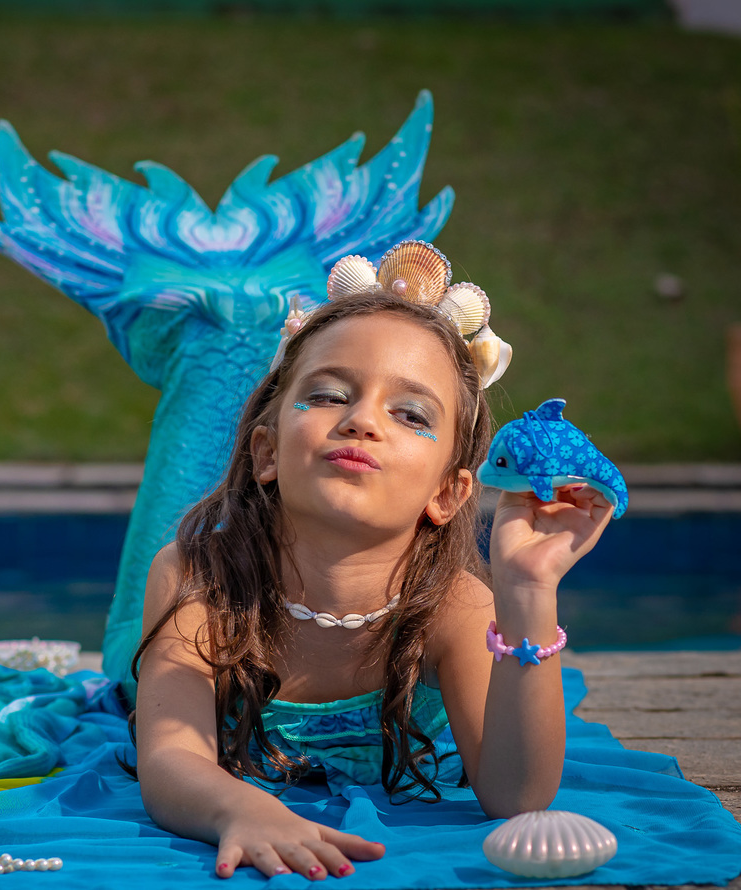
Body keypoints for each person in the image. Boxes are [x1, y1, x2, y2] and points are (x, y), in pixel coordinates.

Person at [130, 244, 617, 882]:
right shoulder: (198, 580)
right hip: (208, 606)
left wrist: (527, 589)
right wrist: (240, 810)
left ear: (448, 493)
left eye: (410, 414)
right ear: (267, 453)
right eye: (329, 396)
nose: (361, 420)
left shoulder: (455, 606)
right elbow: (169, 758)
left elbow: (517, 798)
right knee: (136, 618)